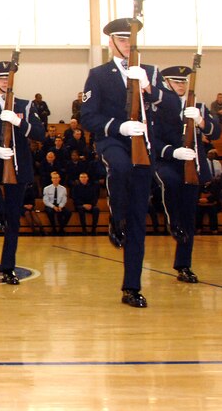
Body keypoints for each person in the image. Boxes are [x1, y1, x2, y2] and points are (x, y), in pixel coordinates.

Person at [81, 16, 165, 308]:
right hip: (113, 141)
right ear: (111, 41)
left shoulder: (150, 73)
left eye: (131, 39)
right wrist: (118, 126)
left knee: (138, 219)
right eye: (122, 38)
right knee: (120, 167)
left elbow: (170, 107)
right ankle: (115, 218)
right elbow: (88, 116)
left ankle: (132, 287)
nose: (128, 44)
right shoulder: (99, 74)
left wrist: (150, 90)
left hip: (143, 146)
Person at [0, 60, 45, 283]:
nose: (4, 82)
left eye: (7, 78)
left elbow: (40, 134)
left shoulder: (26, 105)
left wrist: (18, 122)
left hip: (18, 165)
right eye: (0, 78)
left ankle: (8, 267)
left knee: (14, 220)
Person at [151, 65, 220, 283]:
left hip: (191, 165)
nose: (181, 85)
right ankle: (173, 222)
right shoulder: (157, 107)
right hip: (166, 162)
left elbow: (215, 132)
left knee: (189, 218)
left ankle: (183, 265)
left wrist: (200, 120)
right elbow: (153, 141)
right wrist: (173, 152)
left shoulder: (197, 106)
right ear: (167, 83)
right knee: (170, 181)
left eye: (184, 82)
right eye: (176, 82)